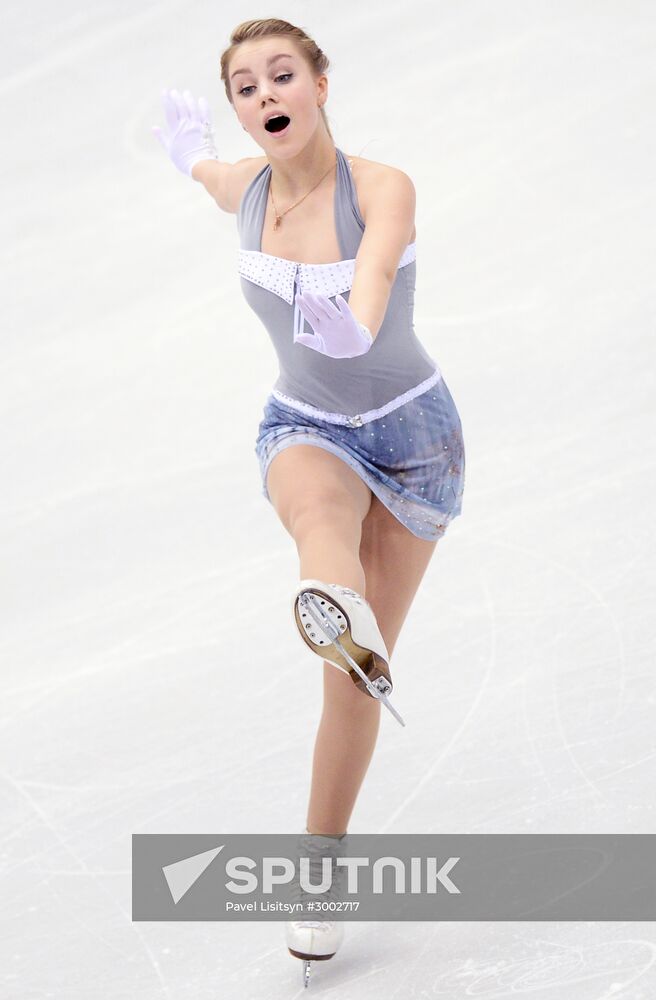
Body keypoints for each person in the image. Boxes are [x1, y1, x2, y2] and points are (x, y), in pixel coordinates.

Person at [153, 16, 466, 985]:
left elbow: (372, 273)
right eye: (244, 88)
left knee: (355, 680)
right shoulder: (241, 187)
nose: (262, 97)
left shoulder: (379, 186)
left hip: (414, 440)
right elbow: (204, 173)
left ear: (320, 83)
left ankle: (320, 866)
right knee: (315, 511)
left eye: (279, 76)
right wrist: (192, 152)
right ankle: (328, 601)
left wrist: (353, 326)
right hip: (305, 425)